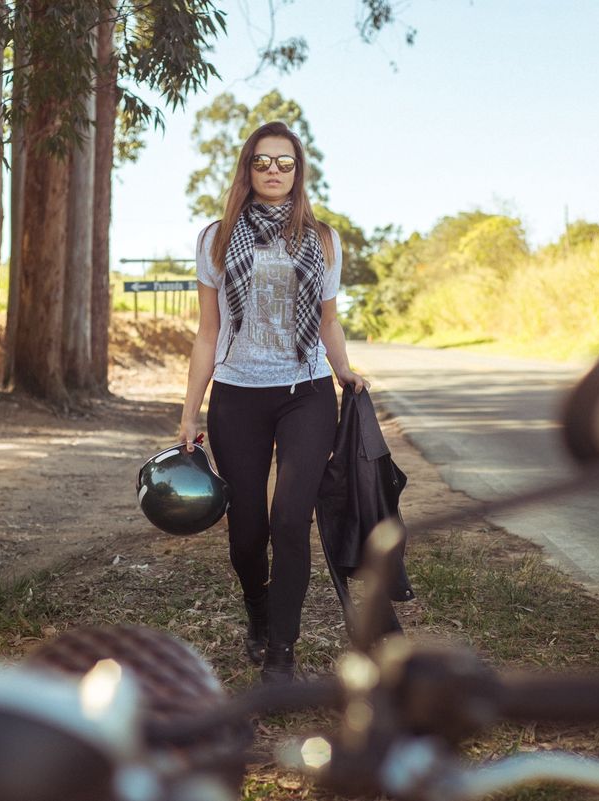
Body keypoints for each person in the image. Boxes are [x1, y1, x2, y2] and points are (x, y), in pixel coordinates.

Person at [177, 121, 368, 683]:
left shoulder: (323, 238)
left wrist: (344, 371)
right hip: (237, 396)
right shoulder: (216, 237)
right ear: (247, 168)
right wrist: (190, 412)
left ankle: (282, 651)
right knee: (246, 532)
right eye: (263, 162)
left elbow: (328, 320)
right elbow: (208, 332)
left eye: (285, 163)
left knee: (290, 519)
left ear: (298, 171)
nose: (274, 172)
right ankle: (257, 615)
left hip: (305, 393)